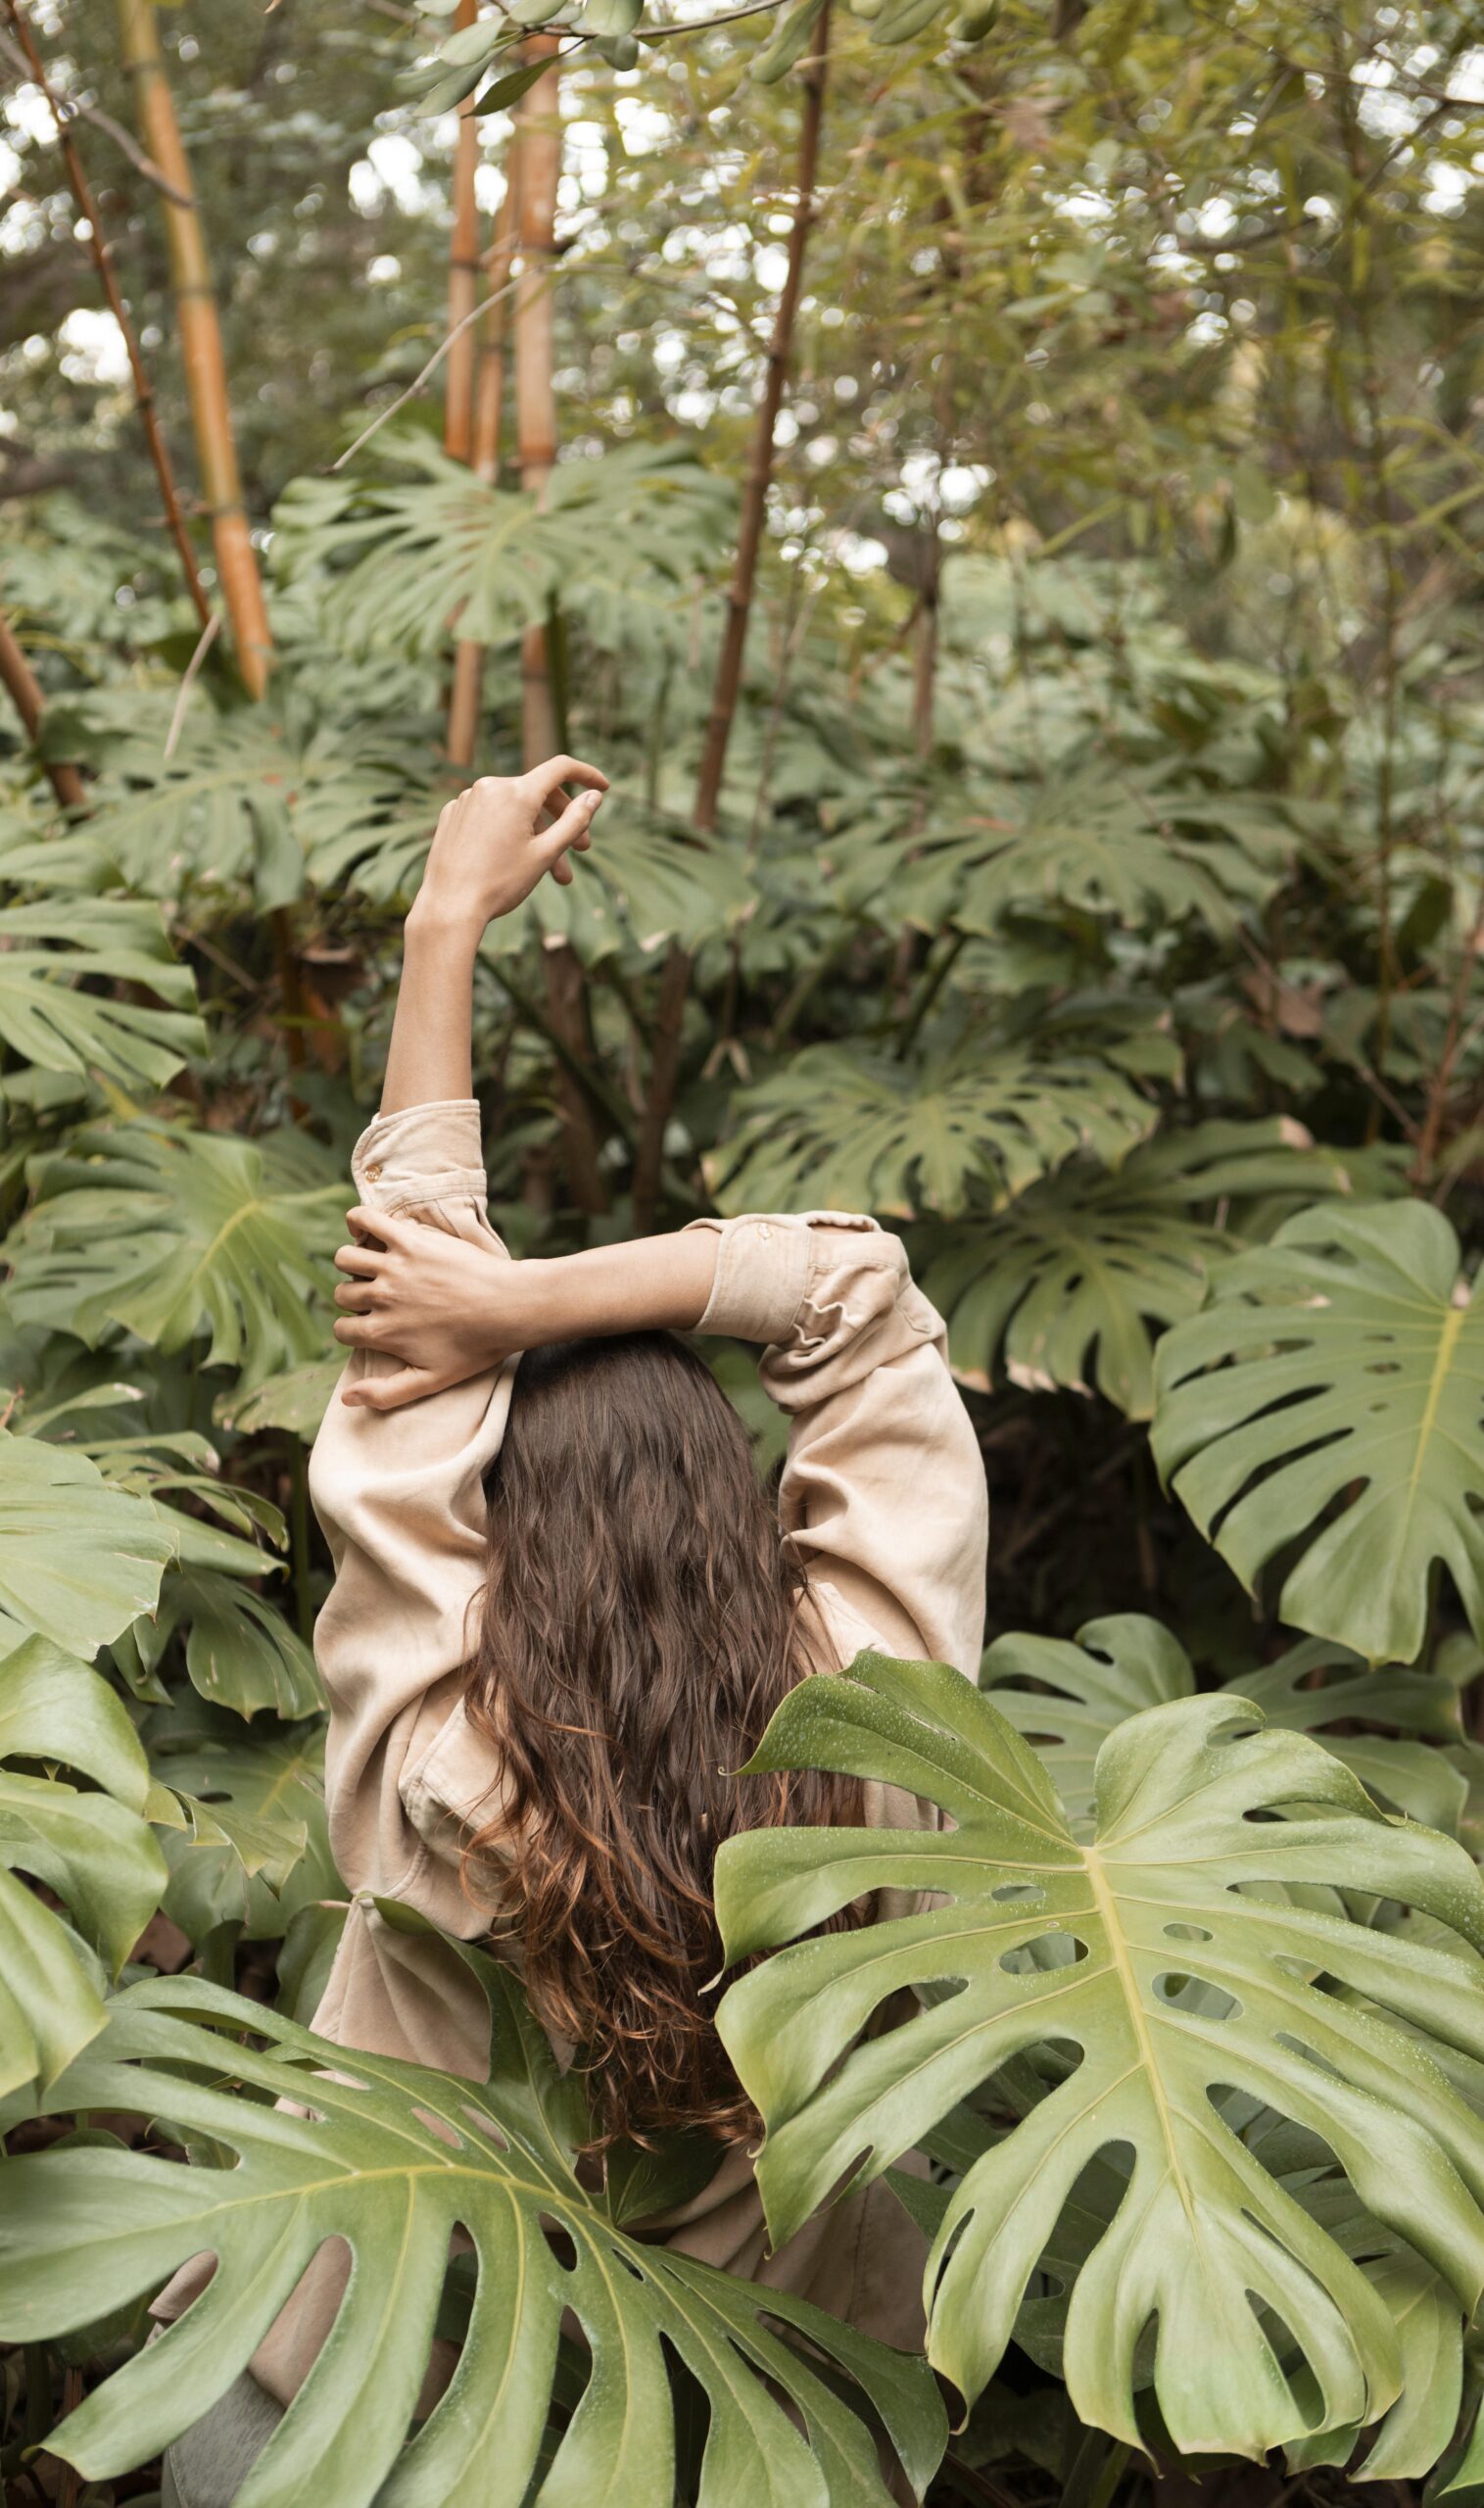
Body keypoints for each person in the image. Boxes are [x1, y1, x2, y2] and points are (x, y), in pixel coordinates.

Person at [156, 755, 988, 2507]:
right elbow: (861, 1298)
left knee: (227, 2422)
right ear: (742, 1517)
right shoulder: (875, 1748)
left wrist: (444, 924)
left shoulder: (436, 1748)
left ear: (494, 1529)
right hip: (735, 2438)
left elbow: (401, 1338)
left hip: (371, 2414)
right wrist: (540, 1302)